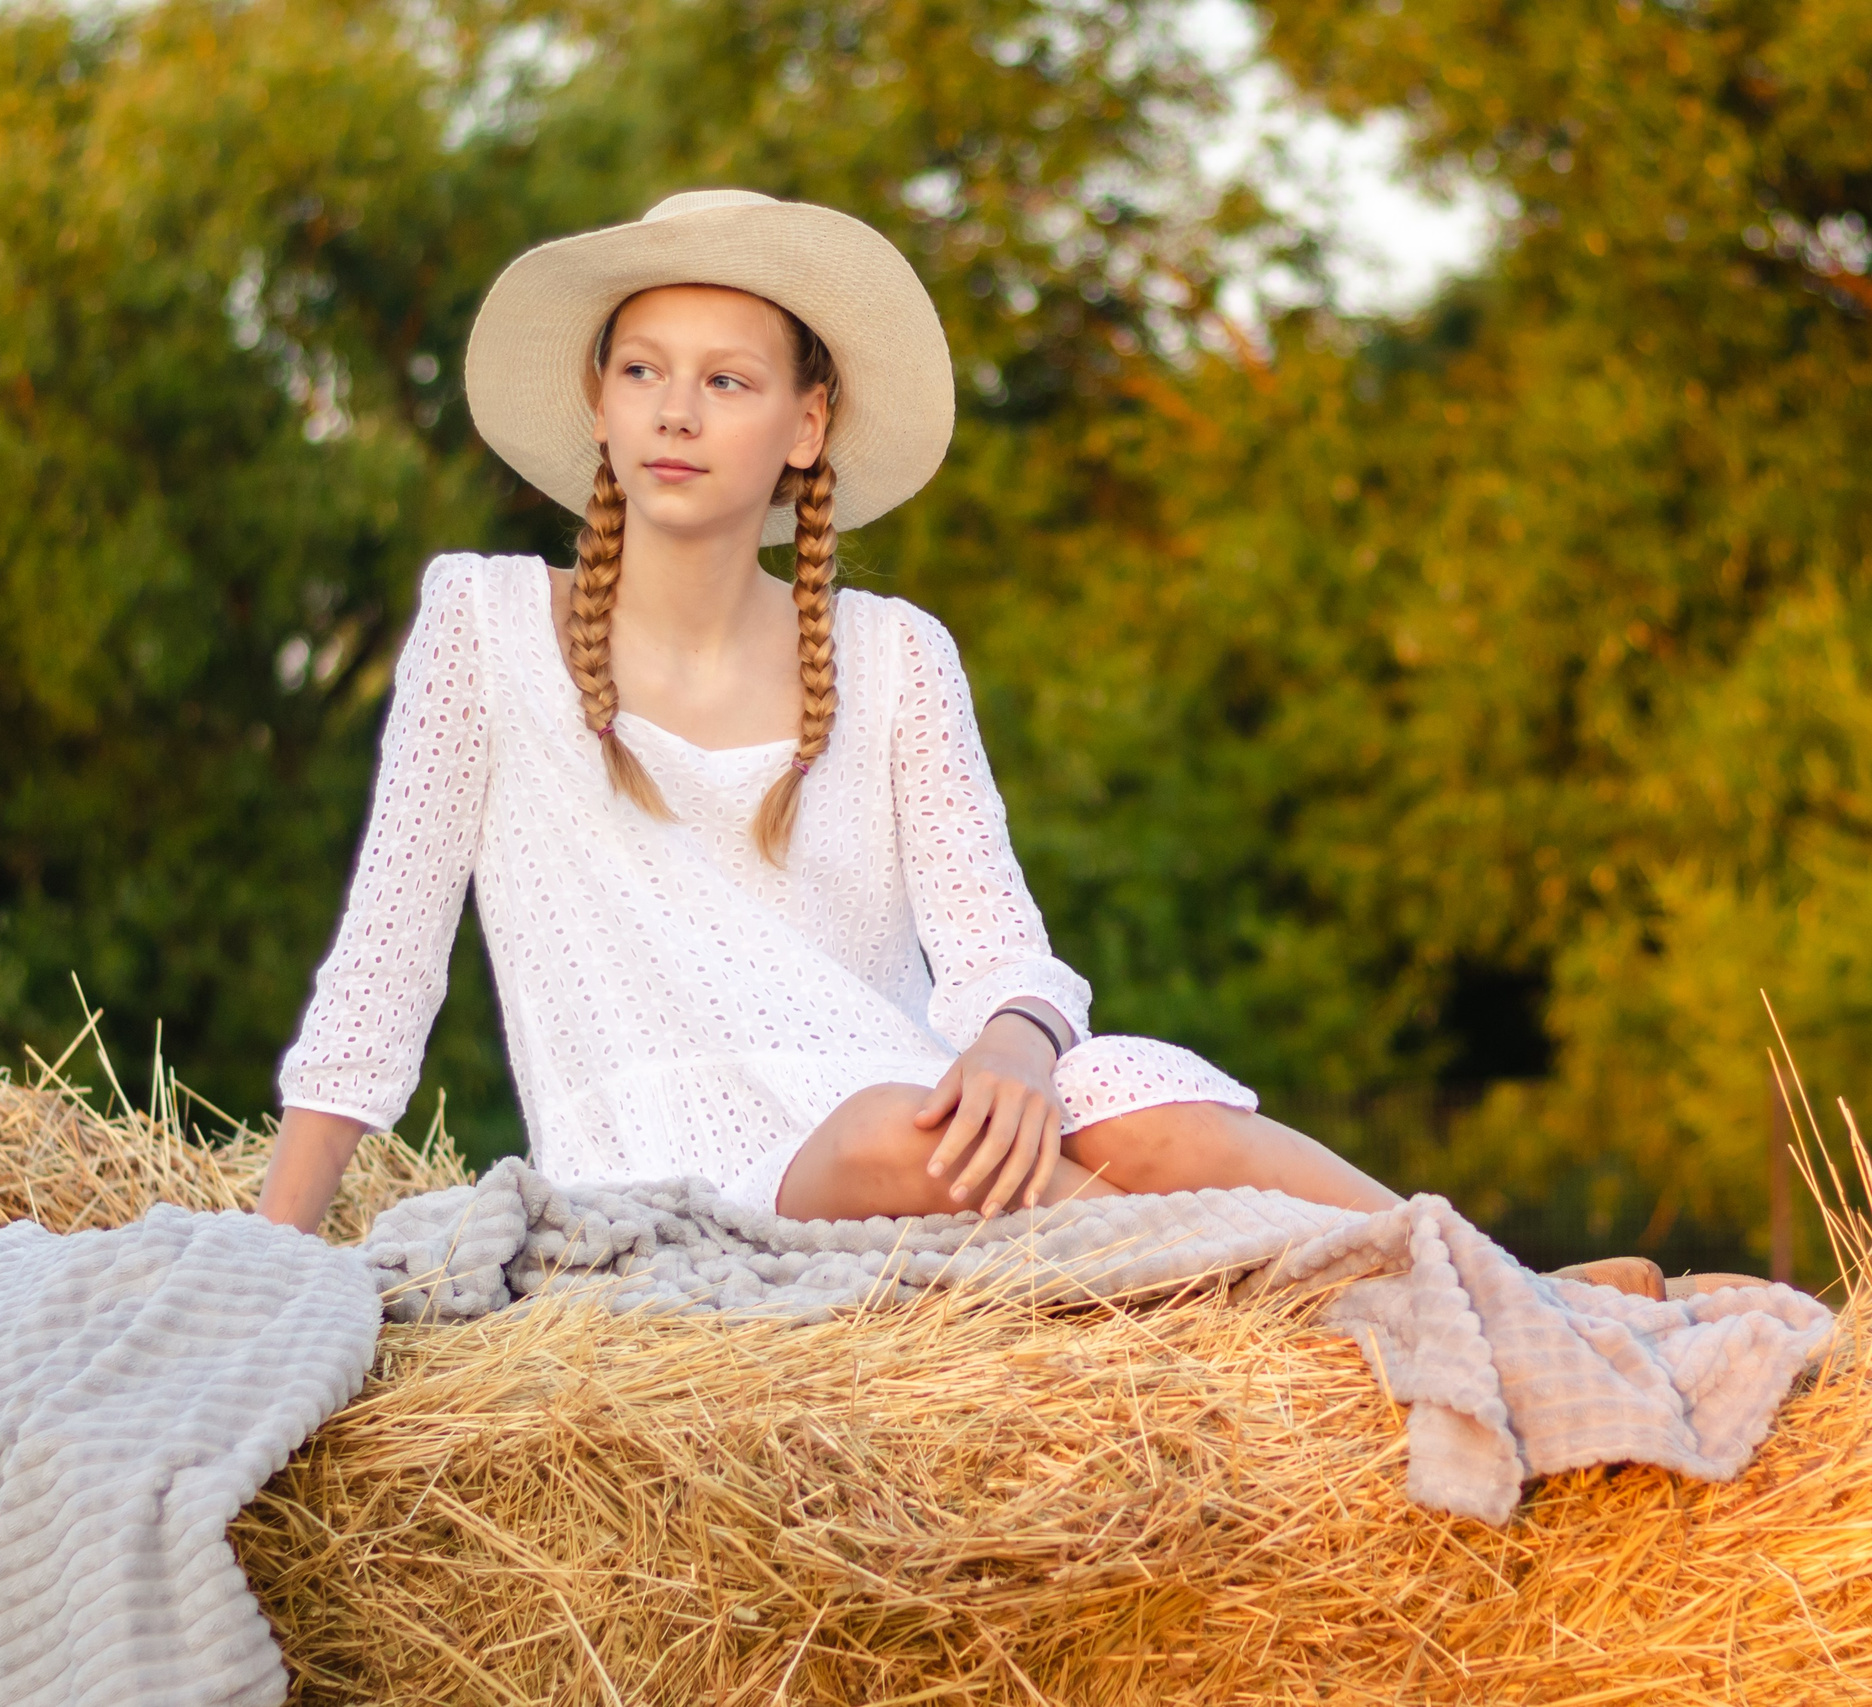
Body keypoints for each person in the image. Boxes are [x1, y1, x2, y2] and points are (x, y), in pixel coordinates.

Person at [252, 189, 1695, 1299]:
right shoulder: (486, 626)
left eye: (728, 381)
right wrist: (270, 1260)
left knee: (1143, 1093)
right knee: (905, 1136)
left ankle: (1489, 1288)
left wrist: (1013, 1045)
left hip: (901, 1089)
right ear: (599, 400)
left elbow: (1005, 947)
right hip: (669, 1156)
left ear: (808, 425)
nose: (676, 412)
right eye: (643, 370)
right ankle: (1346, 1319)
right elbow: (379, 976)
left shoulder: (894, 655)